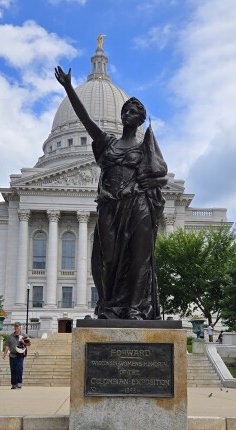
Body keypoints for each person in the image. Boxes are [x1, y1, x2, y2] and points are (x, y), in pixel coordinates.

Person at [55, 61, 168, 320]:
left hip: (137, 206)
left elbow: (159, 175)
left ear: (140, 120)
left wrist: (156, 184)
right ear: (121, 115)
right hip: (110, 206)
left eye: (133, 110)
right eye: (125, 109)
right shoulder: (107, 143)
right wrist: (69, 88)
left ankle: (135, 309)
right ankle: (110, 306)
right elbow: (86, 120)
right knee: (108, 259)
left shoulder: (144, 149)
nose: (128, 112)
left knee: (139, 260)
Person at [2, 322, 31, 389]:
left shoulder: (24, 335)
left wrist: (23, 342)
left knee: (19, 368)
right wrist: (4, 354)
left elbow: (29, 344)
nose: (16, 328)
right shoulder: (10, 336)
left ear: (20, 328)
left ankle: (19, 383)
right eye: (15, 327)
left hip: (20, 355)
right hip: (12, 355)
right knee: (13, 370)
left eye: (17, 327)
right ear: (14, 328)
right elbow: (7, 346)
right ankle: (13, 384)